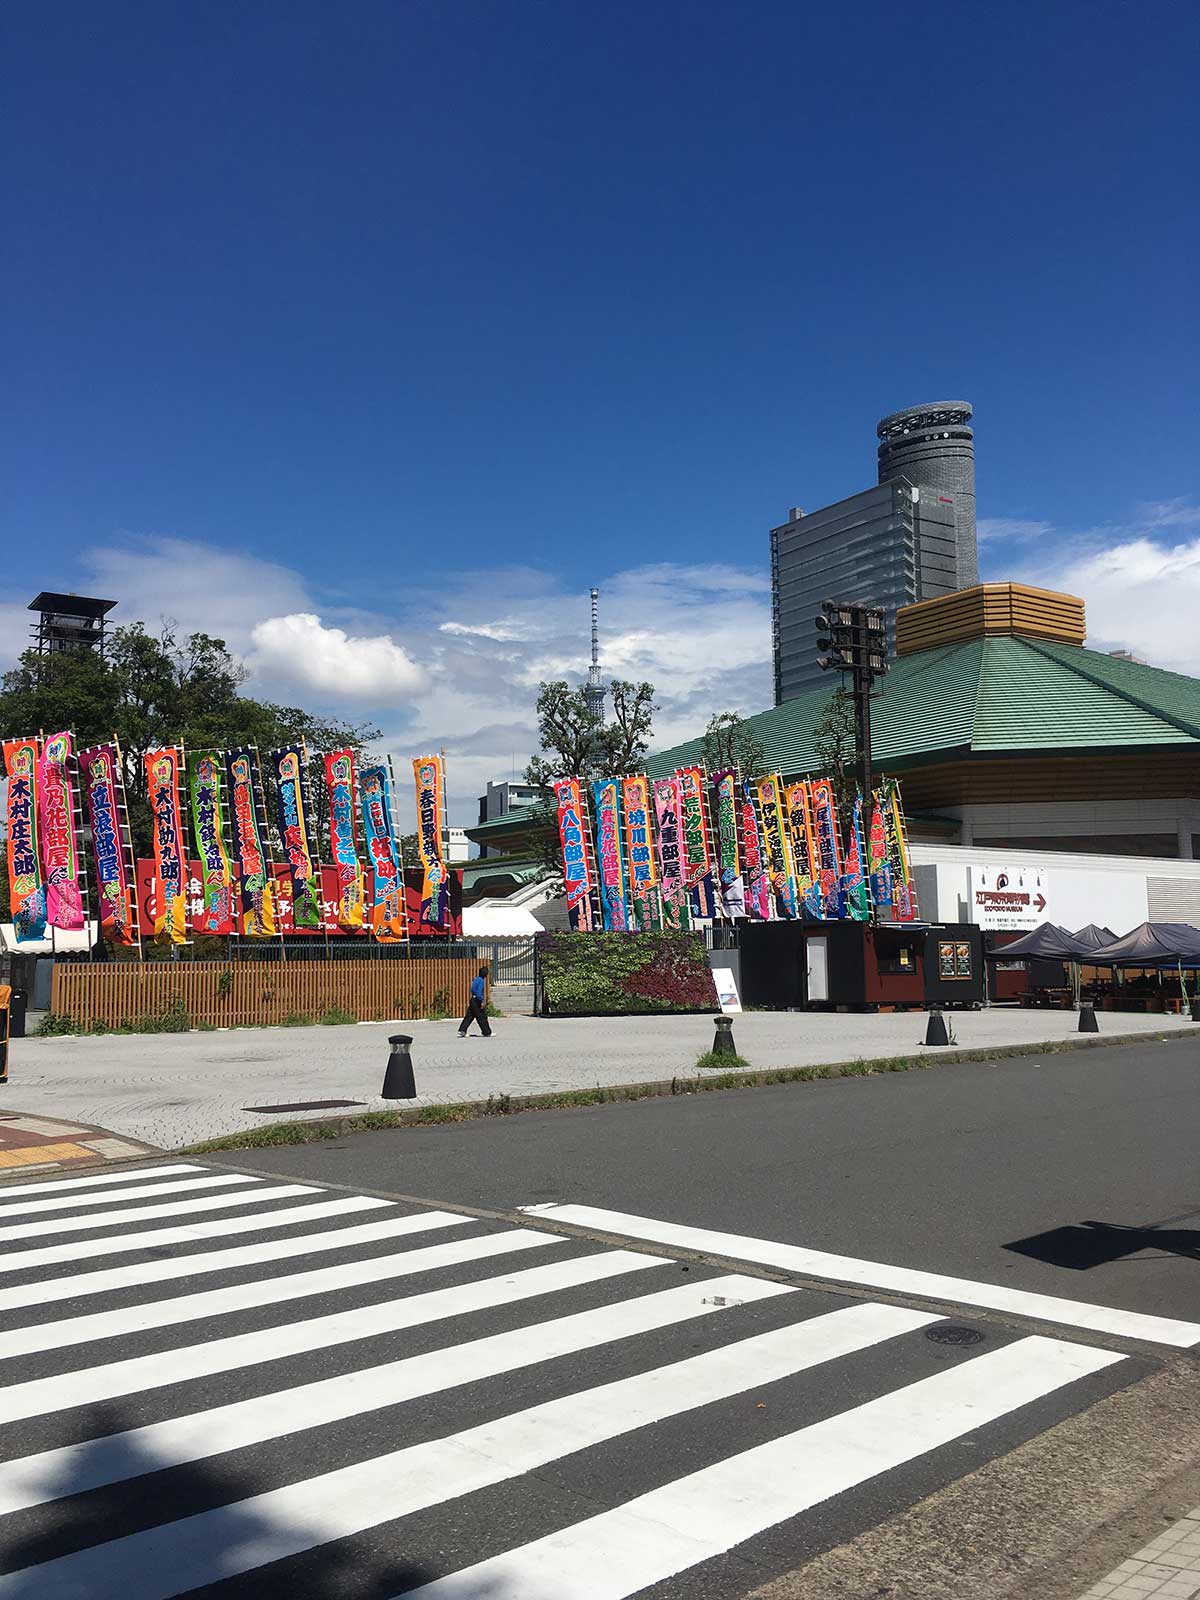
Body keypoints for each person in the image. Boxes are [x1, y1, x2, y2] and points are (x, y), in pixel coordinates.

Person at [459, 966, 492, 1037]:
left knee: (469, 1016)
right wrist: (482, 1001)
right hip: (477, 1001)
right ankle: (487, 1032)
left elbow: (472, 990)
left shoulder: (476, 979)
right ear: (485, 974)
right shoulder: (481, 981)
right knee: (482, 1017)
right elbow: (479, 992)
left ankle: (462, 1030)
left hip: (473, 999)